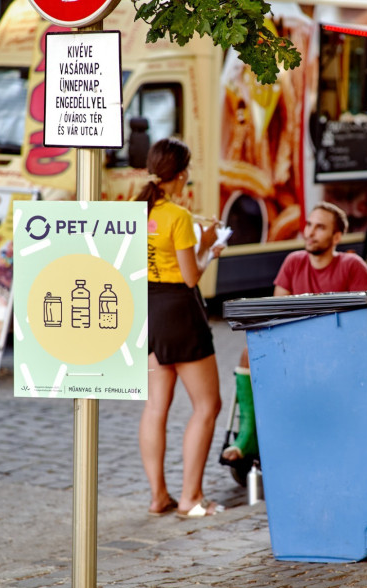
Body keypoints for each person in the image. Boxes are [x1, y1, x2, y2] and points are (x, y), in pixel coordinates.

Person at [220, 202, 367, 463]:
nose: (310, 232)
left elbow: (363, 326)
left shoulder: (352, 266)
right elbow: (277, 314)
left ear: (336, 237)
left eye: (320, 227)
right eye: (309, 224)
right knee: (249, 353)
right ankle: (249, 434)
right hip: (295, 348)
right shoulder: (294, 262)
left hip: (337, 355)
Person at [138, 138, 227, 518]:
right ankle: (191, 497)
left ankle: (159, 496)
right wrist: (208, 247)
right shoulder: (178, 217)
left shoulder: (136, 210)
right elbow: (191, 278)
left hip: (149, 310)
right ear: (183, 174)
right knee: (208, 405)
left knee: (156, 405)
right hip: (180, 312)